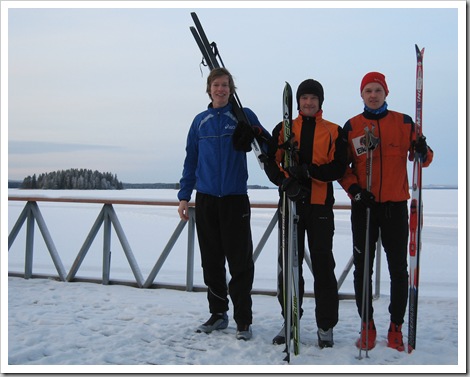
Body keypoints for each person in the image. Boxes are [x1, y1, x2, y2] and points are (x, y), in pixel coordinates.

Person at [339, 71, 434, 352]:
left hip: (394, 205)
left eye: (377, 90)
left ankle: (396, 326)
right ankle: (366, 324)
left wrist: (421, 148)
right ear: (362, 94)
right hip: (364, 206)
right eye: (368, 90)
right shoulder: (353, 126)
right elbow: (342, 169)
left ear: (386, 93)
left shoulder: (404, 123)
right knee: (363, 269)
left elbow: (424, 160)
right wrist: (355, 190)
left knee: (398, 270)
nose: (373, 95)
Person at [177, 67, 270, 341]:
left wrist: (253, 135)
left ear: (232, 89)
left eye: (225, 85)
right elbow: (190, 161)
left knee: (240, 262)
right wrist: (184, 195)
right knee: (211, 261)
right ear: (209, 89)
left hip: (234, 199)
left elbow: (266, 145)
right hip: (206, 200)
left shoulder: (242, 115)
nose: (221, 89)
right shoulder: (200, 122)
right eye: (216, 85)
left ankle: (243, 320)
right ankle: (218, 314)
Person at [261, 79, 347, 348]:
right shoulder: (285, 129)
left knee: (323, 266)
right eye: (304, 98)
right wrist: (283, 181)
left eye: (313, 98)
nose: (308, 103)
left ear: (321, 101)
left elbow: (339, 167)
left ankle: (325, 326)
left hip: (320, 207)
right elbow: (270, 161)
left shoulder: (333, 130)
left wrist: (308, 171)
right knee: (288, 266)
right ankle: (290, 319)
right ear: (297, 102)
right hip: (290, 204)